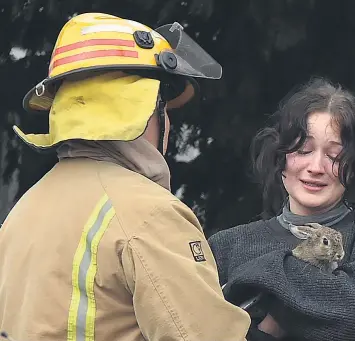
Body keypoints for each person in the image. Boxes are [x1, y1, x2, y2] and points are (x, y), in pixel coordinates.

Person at [0, 13, 251, 341]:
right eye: (166, 110)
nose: (170, 126)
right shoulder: (147, 213)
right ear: (147, 110)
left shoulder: (24, 211)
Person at [208, 77, 355, 341]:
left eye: (334, 156)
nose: (316, 167)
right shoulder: (226, 246)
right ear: (280, 156)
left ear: (354, 164)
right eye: (303, 150)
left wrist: (257, 285)